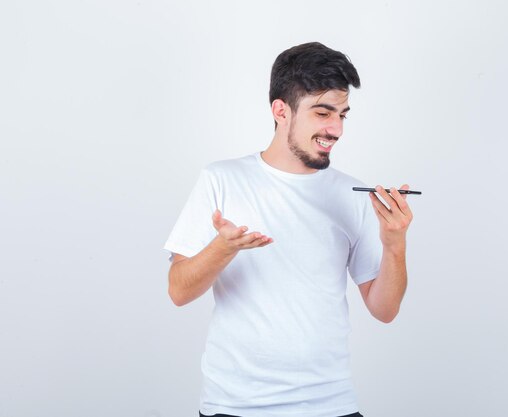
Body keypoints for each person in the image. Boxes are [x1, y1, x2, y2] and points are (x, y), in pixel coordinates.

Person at [164, 41, 413, 417]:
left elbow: (385, 309)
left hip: (331, 405)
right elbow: (178, 291)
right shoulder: (222, 180)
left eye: (343, 115)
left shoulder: (352, 193)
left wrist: (394, 243)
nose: (336, 129)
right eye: (323, 113)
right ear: (281, 111)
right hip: (235, 406)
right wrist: (223, 248)